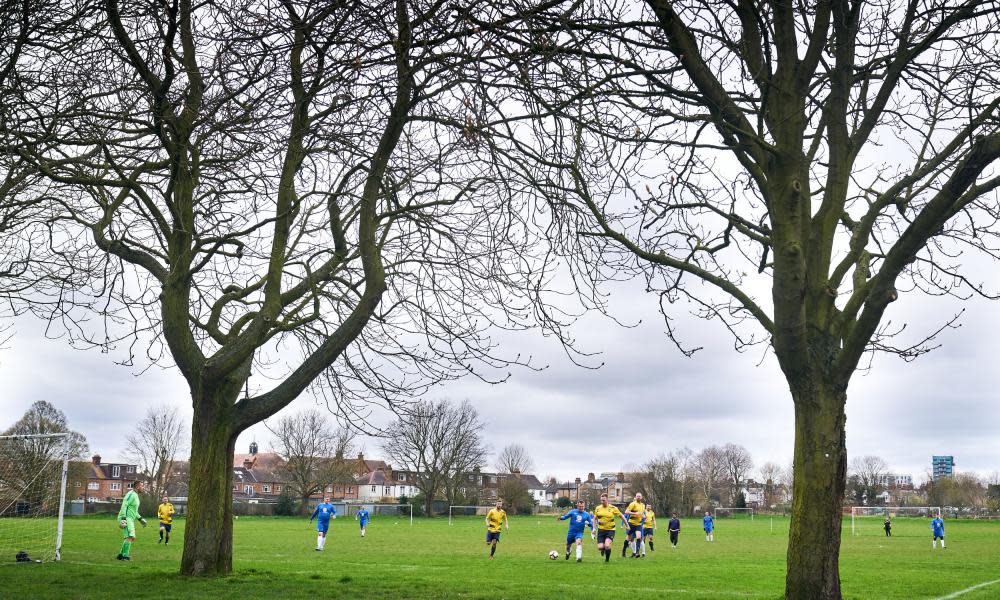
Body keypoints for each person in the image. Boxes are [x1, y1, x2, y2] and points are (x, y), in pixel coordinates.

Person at [116, 481, 147, 561]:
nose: (143, 488)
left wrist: (140, 519)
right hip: (126, 518)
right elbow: (124, 505)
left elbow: (134, 511)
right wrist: (123, 519)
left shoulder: (135, 495)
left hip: (130, 518)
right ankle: (125, 556)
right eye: (142, 486)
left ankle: (120, 555)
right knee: (130, 536)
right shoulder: (131, 494)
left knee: (129, 537)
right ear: (137, 486)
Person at [593, 493, 627, 563]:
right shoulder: (598, 508)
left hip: (610, 530)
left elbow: (622, 516)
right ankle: (603, 549)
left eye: (604, 500)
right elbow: (594, 519)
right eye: (601, 500)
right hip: (601, 530)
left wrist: (627, 525)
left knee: (607, 545)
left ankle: (607, 560)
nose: (602, 502)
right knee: (600, 547)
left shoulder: (613, 508)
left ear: (607, 499)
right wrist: (594, 528)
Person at [622, 492, 647, 558]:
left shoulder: (643, 505)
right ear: (635, 497)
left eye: (639, 496)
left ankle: (637, 553)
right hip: (631, 523)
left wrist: (643, 516)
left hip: (638, 524)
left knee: (639, 537)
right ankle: (623, 551)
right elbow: (626, 512)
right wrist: (635, 513)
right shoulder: (633, 504)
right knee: (628, 538)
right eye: (637, 496)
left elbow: (642, 513)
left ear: (641, 497)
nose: (638, 497)